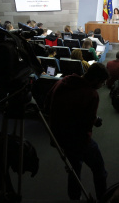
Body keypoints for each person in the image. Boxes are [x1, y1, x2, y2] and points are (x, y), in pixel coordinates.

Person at [44, 63, 109, 200]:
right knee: (99, 170)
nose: (101, 86)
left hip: (58, 137)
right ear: (96, 80)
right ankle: (103, 198)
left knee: (74, 170)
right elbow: (86, 124)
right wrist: (95, 120)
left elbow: (48, 101)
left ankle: (74, 198)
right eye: (102, 83)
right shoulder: (91, 94)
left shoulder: (62, 82)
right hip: (79, 141)